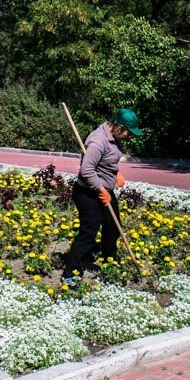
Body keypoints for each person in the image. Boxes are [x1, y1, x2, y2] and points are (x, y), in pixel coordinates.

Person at [61, 108, 142, 284]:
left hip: (104, 189)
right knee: (89, 231)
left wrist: (115, 173)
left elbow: (105, 162)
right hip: (87, 192)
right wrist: (101, 188)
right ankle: (70, 274)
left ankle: (108, 262)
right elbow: (87, 170)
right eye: (127, 131)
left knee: (113, 226)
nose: (128, 136)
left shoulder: (113, 136)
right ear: (119, 127)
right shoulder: (98, 141)